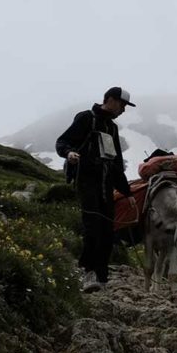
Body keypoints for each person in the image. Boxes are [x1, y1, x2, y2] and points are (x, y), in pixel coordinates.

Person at [55, 86, 136, 292]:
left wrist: (127, 192)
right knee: (92, 227)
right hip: (87, 180)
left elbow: (116, 162)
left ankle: (101, 276)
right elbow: (62, 141)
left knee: (108, 230)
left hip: (106, 184)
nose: (124, 110)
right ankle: (87, 272)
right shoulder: (85, 118)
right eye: (122, 104)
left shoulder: (113, 128)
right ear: (109, 100)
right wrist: (69, 153)